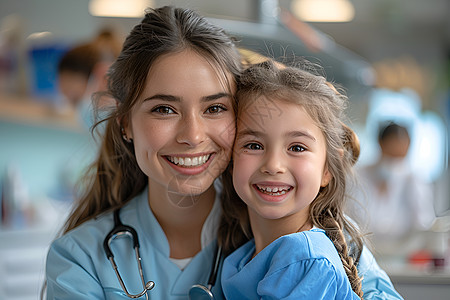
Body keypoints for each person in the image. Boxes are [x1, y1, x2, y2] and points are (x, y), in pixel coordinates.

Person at [45, 5, 403, 300]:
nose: (192, 135)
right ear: (125, 123)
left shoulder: (297, 225)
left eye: (214, 108)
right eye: (164, 109)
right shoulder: (81, 258)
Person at [219, 60, 362, 299]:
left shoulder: (305, 259)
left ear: (327, 168)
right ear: (231, 159)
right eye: (253, 145)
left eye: (297, 147)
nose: (273, 165)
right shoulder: (244, 255)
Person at [350, 121, 435, 256]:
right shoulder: (358, 175)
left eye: (400, 156)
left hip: (404, 254)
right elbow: (351, 217)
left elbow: (423, 223)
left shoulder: (414, 180)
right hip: (362, 252)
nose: (395, 162)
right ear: (380, 144)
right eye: (391, 153)